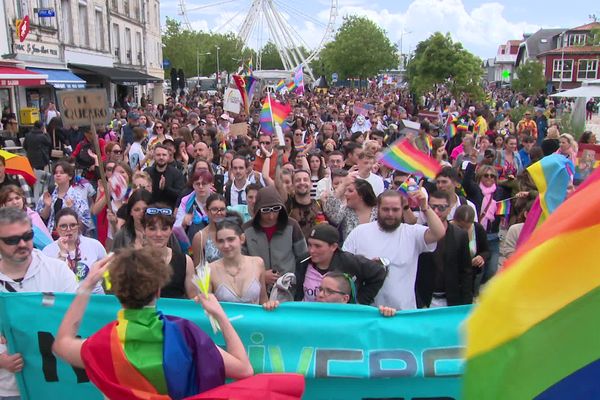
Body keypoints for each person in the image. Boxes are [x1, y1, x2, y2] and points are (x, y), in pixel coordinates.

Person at [52, 248, 255, 400]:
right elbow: (244, 369)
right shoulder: (185, 334)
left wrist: (88, 284)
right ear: (158, 290)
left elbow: (61, 344)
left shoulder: (102, 343)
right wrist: (220, 315)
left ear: (116, 293)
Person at [0, 208, 77, 399]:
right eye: (12, 240)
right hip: (7, 389)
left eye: (28, 236)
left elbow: (79, 318)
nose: (22, 244)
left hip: (53, 384)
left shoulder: (57, 270)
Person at [342, 190, 445, 310]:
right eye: (385, 209)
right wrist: (366, 267)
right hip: (367, 311)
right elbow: (343, 268)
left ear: (402, 210)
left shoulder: (412, 233)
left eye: (395, 210)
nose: (390, 214)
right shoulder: (359, 232)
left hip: (403, 313)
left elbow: (439, 233)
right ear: (377, 208)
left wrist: (425, 207)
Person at [294, 224, 386, 304]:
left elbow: (379, 273)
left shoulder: (349, 261)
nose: (311, 250)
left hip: (338, 319)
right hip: (309, 318)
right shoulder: (303, 261)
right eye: (309, 245)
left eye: (318, 246)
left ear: (333, 247)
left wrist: (359, 301)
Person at [415, 191, 473, 308]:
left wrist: (466, 304)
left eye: (441, 207)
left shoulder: (459, 235)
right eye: (432, 207)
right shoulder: (418, 232)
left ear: (449, 208)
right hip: (424, 299)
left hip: (451, 300)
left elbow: (466, 271)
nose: (436, 211)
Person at [243, 186, 308, 286]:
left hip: (287, 287)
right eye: (266, 211)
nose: (271, 216)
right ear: (258, 210)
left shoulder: (292, 226)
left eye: (276, 209)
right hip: (256, 288)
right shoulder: (247, 230)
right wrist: (260, 275)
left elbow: (303, 257)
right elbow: (241, 262)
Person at [263, 272, 396, 317]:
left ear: (345, 299)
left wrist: (387, 314)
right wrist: (273, 308)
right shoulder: (305, 313)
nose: (320, 295)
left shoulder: (359, 317)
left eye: (329, 291)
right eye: (320, 289)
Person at [42, 208, 106, 294]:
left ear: (78, 226)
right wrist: (63, 254)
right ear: (56, 228)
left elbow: (108, 272)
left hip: (93, 297)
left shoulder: (94, 245)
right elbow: (48, 282)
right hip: (65, 299)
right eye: (63, 226)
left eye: (72, 225)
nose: (69, 229)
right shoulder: (48, 251)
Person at [143, 203, 198, 299]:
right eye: (152, 229)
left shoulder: (185, 261)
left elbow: (193, 300)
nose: (158, 234)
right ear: (144, 230)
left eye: (164, 229)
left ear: (171, 230)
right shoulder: (132, 261)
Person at [209, 219, 267, 304]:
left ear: (242, 238)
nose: (226, 245)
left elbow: (263, 300)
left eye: (231, 239)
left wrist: (270, 305)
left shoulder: (257, 263)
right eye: (221, 241)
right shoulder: (209, 269)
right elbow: (206, 306)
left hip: (253, 316)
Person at [36, 161, 92, 235]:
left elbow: (85, 225)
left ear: (70, 176)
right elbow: (40, 218)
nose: (58, 175)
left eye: (62, 173)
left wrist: (71, 209)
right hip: (50, 236)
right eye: (56, 173)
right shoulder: (49, 193)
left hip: (70, 236)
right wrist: (47, 206)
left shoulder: (78, 197)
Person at [322, 173, 378, 242]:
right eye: (346, 190)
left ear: (362, 195)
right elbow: (331, 211)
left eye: (350, 191)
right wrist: (343, 185)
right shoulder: (346, 211)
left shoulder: (378, 211)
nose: (345, 194)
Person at [452, 204, 489, 295]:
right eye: (460, 227)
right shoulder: (445, 229)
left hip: (471, 275)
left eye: (467, 227)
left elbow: (486, 250)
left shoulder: (478, 229)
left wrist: (481, 257)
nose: (463, 230)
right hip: (452, 275)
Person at [0, 185, 52, 250]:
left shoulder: (32, 217)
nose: (15, 202)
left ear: (23, 199)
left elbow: (47, 245)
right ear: (3, 204)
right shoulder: (2, 222)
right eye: (10, 200)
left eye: (17, 198)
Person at [281, 169, 325, 239]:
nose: (302, 182)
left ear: (311, 184)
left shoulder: (319, 205)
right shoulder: (287, 206)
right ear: (292, 185)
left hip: (314, 247)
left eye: (305, 180)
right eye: (298, 180)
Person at [175, 170, 212, 244]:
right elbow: (176, 226)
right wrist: (183, 221)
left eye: (204, 184)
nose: (201, 187)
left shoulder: (218, 201)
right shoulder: (186, 201)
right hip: (192, 244)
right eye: (197, 184)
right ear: (193, 185)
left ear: (211, 184)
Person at [191, 194, 228, 266]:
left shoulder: (233, 233)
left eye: (222, 209)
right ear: (206, 210)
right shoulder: (200, 237)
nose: (219, 213)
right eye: (214, 209)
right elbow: (197, 268)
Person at [145, 144, 186, 208]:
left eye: (164, 155)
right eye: (158, 155)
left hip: (169, 210)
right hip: (150, 209)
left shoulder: (177, 173)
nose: (161, 157)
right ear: (154, 156)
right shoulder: (147, 172)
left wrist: (165, 188)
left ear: (168, 157)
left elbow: (181, 195)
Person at [23, 121, 52, 200]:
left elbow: (25, 146)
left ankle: (32, 188)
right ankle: (38, 190)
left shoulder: (28, 135)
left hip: (30, 158)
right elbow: (49, 142)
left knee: (32, 173)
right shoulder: (42, 136)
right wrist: (46, 133)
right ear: (42, 127)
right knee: (40, 175)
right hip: (40, 158)